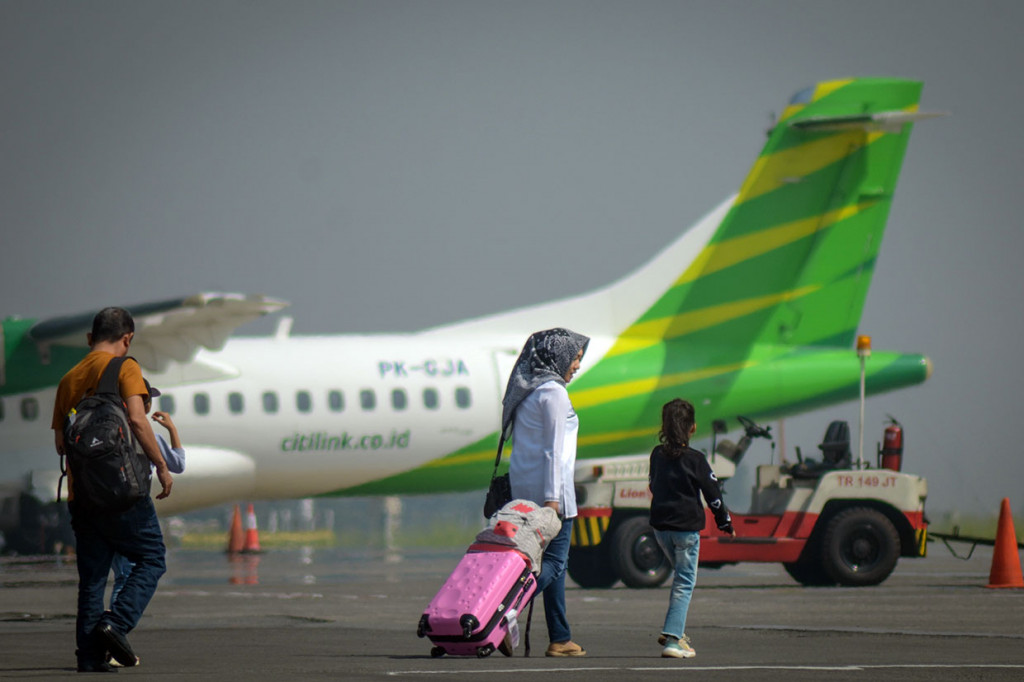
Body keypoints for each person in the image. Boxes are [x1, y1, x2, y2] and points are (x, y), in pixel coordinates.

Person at [51, 307, 173, 673]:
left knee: (91, 581)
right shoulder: (125, 367)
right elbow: (137, 419)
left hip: (82, 496)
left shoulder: (68, 380)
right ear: (127, 338)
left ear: (90, 338)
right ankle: (116, 624)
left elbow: (61, 444)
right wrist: (161, 465)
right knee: (152, 558)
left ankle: (89, 658)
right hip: (122, 490)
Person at [503, 327, 589, 657]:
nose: (577, 365)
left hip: (523, 492)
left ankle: (560, 637)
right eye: (575, 358)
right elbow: (554, 451)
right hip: (553, 495)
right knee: (554, 563)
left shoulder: (527, 390)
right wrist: (553, 501)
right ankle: (505, 611)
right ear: (558, 356)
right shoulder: (554, 394)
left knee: (547, 565)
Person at [648, 398, 734, 659]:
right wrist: (725, 522)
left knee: (680, 579)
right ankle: (673, 640)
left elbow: (652, 484)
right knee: (685, 582)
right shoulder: (696, 459)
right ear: (692, 428)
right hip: (685, 530)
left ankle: (676, 631)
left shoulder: (656, 455)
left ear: (664, 426)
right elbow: (713, 494)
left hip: (660, 529)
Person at [109, 380, 185, 609]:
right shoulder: (150, 437)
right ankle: (115, 623)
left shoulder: (109, 432)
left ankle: (108, 622)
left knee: (117, 573)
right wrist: (172, 429)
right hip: (133, 509)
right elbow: (178, 464)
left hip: (103, 507)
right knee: (134, 571)